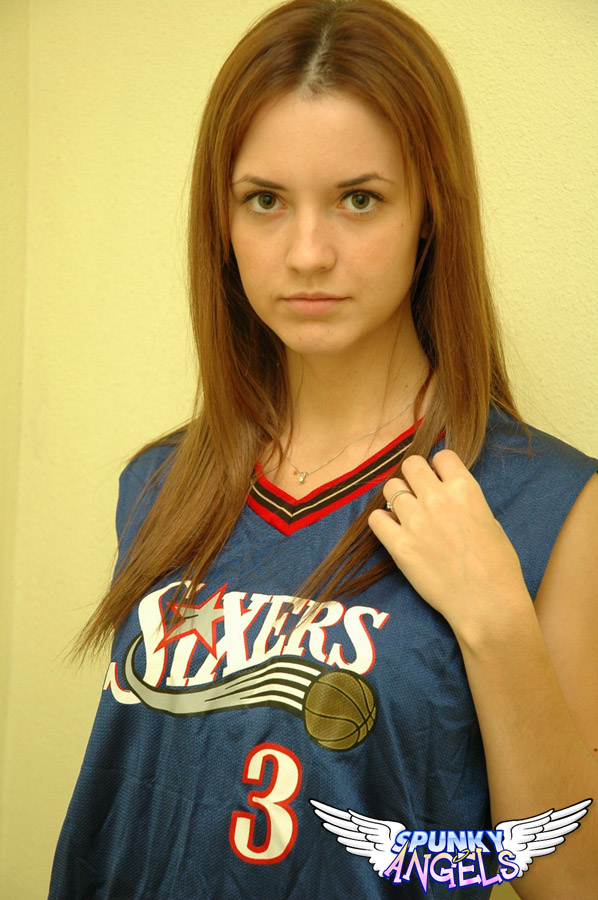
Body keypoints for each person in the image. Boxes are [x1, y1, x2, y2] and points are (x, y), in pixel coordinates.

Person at [49, 1, 597, 897]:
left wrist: (498, 624)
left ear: (429, 213)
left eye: (359, 199)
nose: (307, 253)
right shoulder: (161, 483)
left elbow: (573, 883)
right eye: (264, 200)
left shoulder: (549, 504)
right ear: (222, 223)